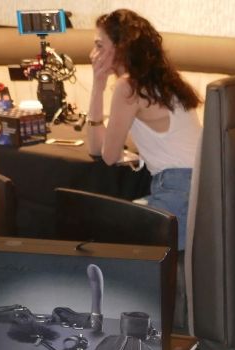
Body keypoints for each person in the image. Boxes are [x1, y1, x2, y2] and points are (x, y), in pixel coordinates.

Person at [85, 9, 202, 252]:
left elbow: (108, 156)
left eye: (99, 45)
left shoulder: (128, 86)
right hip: (202, 189)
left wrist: (98, 85)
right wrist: (98, 85)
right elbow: (97, 147)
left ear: (120, 48)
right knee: (115, 222)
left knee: (99, 229)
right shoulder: (168, 81)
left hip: (177, 192)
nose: (92, 54)